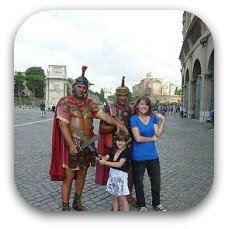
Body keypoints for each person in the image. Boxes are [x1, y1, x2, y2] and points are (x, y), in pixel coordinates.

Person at [49, 65, 128, 211]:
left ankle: (77, 202)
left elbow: (103, 116)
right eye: (79, 87)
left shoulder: (90, 103)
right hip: (71, 145)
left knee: (82, 174)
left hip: (88, 145)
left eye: (84, 87)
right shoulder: (65, 102)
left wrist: (117, 123)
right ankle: (65, 206)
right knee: (69, 176)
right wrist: (71, 144)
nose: (81, 89)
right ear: (74, 87)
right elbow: (63, 125)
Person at [95, 76, 137, 207]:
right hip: (114, 145)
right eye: (120, 95)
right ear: (116, 95)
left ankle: (127, 195)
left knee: (130, 170)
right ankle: (116, 196)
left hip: (129, 144)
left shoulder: (131, 109)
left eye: (125, 95)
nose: (123, 97)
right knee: (115, 171)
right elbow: (102, 128)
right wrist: (117, 125)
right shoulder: (110, 108)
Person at [130, 96, 166, 211]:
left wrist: (162, 121)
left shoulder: (152, 118)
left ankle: (157, 204)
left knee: (156, 181)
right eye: (141, 104)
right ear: (137, 106)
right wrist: (151, 139)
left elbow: (158, 134)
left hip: (153, 155)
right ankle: (142, 205)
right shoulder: (134, 119)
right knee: (139, 182)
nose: (144, 106)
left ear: (149, 106)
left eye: (146, 104)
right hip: (138, 156)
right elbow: (138, 138)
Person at [98, 131, 132, 211]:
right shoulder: (114, 149)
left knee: (123, 199)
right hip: (112, 176)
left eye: (122, 141)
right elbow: (105, 157)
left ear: (126, 142)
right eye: (118, 140)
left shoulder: (126, 151)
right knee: (114, 198)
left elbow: (119, 164)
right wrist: (100, 157)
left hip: (121, 177)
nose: (120, 143)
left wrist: (105, 162)